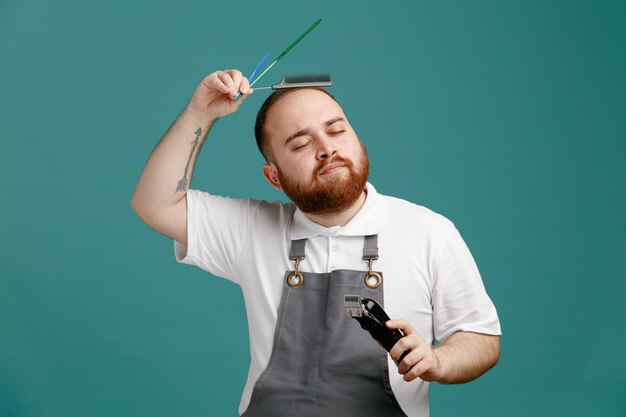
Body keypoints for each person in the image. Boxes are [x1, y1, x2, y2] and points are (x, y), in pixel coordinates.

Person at [131, 69, 502, 417]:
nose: (327, 149)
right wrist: (200, 112)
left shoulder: (428, 231)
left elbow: (480, 338)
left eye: (337, 130)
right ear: (273, 176)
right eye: (301, 143)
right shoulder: (251, 230)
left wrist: (438, 361)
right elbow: (155, 203)